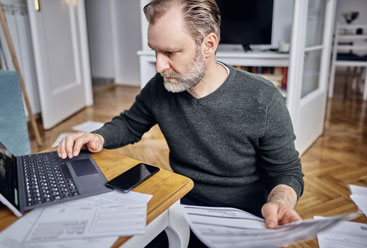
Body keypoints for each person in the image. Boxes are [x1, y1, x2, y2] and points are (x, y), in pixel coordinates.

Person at [58, 0, 304, 245]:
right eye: (155, 51)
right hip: (181, 206)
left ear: (208, 45)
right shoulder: (160, 87)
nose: (159, 66)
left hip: (245, 218)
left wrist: (280, 202)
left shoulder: (262, 98)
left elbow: (286, 172)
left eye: (170, 52)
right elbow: (130, 124)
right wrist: (98, 137)